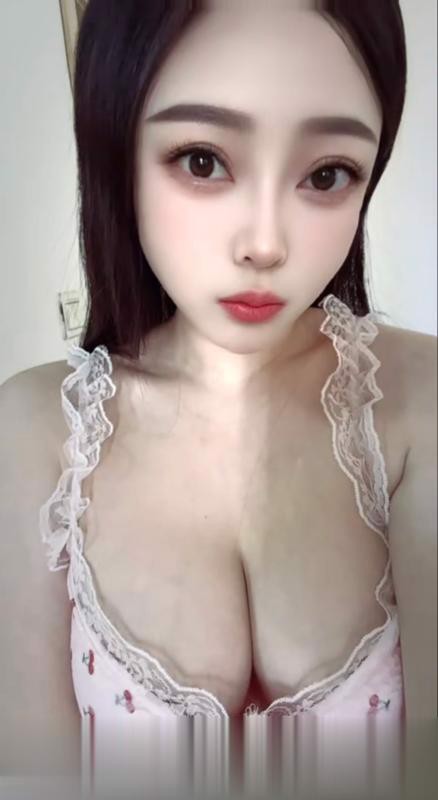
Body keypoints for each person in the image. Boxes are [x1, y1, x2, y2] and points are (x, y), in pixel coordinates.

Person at [1, 0, 436, 794]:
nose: (265, 243)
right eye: (202, 160)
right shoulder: (36, 437)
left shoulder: (417, 408)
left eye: (327, 174)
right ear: (117, 148)